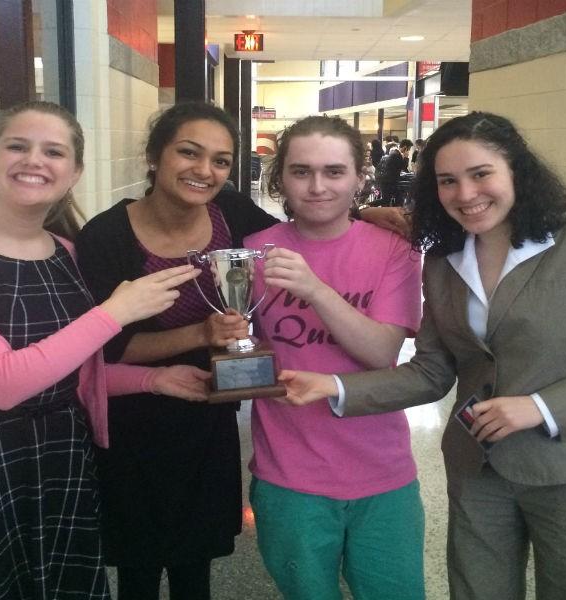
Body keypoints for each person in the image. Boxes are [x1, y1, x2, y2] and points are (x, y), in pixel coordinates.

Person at [277, 112, 566, 600]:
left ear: (517, 172)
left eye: (481, 174)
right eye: (448, 181)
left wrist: (541, 407)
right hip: (479, 469)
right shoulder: (445, 262)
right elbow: (431, 372)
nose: (465, 194)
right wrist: (335, 387)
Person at [0, 101, 211, 600]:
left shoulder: (68, 255)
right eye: (18, 146)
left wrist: (153, 379)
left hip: (58, 468)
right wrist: (116, 311)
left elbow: (71, 369)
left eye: (54, 151)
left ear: (75, 172)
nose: (35, 161)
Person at [74, 102, 411, 600]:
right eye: (188, 153)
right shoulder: (105, 236)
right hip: (137, 416)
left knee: (197, 560)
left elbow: (313, 213)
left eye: (220, 160)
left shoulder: (230, 215)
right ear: (154, 156)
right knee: (138, 564)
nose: (203, 170)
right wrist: (199, 335)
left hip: (210, 411)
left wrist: (362, 212)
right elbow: (106, 345)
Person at [244, 115, 425, 599]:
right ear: (280, 177)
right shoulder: (253, 253)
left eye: (334, 171)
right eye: (301, 171)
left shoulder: (394, 250)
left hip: (381, 469)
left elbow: (380, 351)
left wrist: (314, 289)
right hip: (288, 472)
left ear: (359, 178)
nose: (318, 186)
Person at [376, 138, 413, 206]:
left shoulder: (395, 153)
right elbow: (404, 167)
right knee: (386, 201)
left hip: (389, 181)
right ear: (405, 147)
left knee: (391, 200)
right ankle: (366, 206)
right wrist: (406, 157)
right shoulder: (396, 154)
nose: (409, 151)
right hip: (389, 182)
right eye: (409, 149)